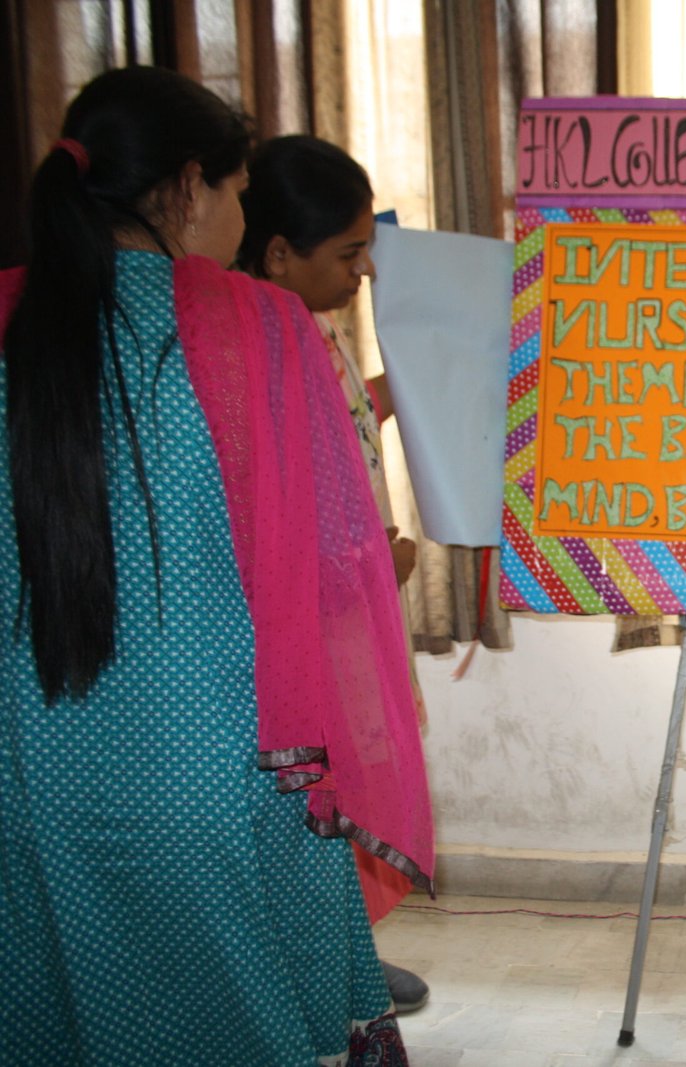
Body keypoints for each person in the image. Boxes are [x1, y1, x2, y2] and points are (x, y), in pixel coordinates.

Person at [0, 67, 430, 1063]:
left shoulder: (15, 321)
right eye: (239, 189)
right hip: (217, 756)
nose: (243, 216)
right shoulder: (257, 326)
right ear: (189, 186)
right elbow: (330, 557)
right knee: (237, 1017)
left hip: (29, 764)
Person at [238, 133, 431, 1014]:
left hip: (352, 600)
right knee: (327, 788)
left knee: (353, 778)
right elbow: (288, 505)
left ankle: (347, 946)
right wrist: (370, 568)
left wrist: (412, 383)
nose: (365, 271)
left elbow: (353, 416)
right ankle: (328, 955)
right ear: (280, 253)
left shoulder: (316, 330)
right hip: (317, 615)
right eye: (350, 253)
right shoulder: (262, 348)